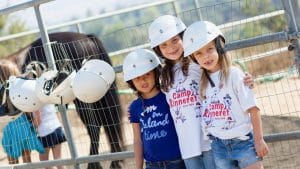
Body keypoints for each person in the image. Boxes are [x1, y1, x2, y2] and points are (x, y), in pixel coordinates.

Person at [148, 15, 254, 169]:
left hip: (210, 140)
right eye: (164, 45)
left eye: (175, 40)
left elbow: (225, 77)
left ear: (184, 37)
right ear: (157, 49)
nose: (171, 47)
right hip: (187, 145)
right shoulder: (164, 76)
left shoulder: (199, 63)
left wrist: (247, 80)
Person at [182, 20, 269, 169]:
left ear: (219, 48)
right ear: (194, 58)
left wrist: (259, 139)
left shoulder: (234, 75)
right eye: (199, 53)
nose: (206, 57)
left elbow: (253, 109)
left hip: (243, 143)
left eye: (210, 49)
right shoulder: (202, 83)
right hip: (219, 147)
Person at [123, 49, 186, 169]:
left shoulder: (169, 97)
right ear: (131, 82)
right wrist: (138, 167)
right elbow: (137, 140)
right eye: (137, 78)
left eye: (147, 74)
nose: (142, 80)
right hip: (152, 165)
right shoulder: (134, 107)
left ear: (156, 73)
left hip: (177, 161)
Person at [0, 60, 44, 164]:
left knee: (12, 159)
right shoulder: (19, 87)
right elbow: (27, 108)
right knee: (27, 158)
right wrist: (32, 121)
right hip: (23, 125)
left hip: (8, 128)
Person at [32, 104, 66, 169]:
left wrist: (30, 128)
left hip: (45, 131)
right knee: (58, 158)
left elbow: (38, 120)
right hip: (56, 127)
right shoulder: (47, 95)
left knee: (44, 160)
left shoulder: (35, 100)